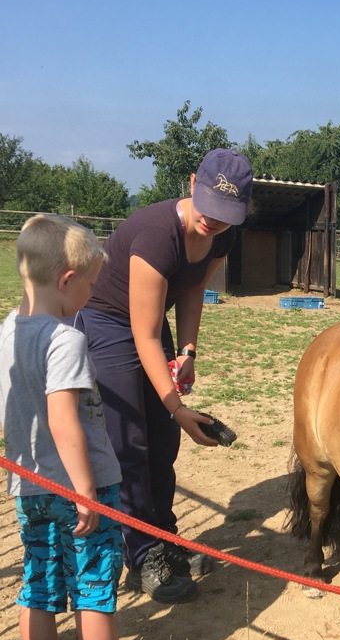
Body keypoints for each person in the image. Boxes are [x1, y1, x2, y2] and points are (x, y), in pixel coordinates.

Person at [0, 214, 172, 640]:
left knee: (39, 583)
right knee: (95, 586)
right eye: (92, 287)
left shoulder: (7, 332)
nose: (94, 297)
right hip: (80, 491)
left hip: (28, 489)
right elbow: (64, 421)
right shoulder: (64, 339)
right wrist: (85, 491)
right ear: (67, 281)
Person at [75, 148, 253, 604]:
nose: (214, 221)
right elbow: (143, 335)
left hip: (155, 325)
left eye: (227, 214)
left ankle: (164, 537)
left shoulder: (222, 236)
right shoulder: (158, 234)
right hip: (109, 322)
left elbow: (194, 289)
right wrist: (177, 406)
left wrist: (190, 351)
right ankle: (141, 556)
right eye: (210, 207)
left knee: (162, 443)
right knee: (131, 441)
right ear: (193, 182)